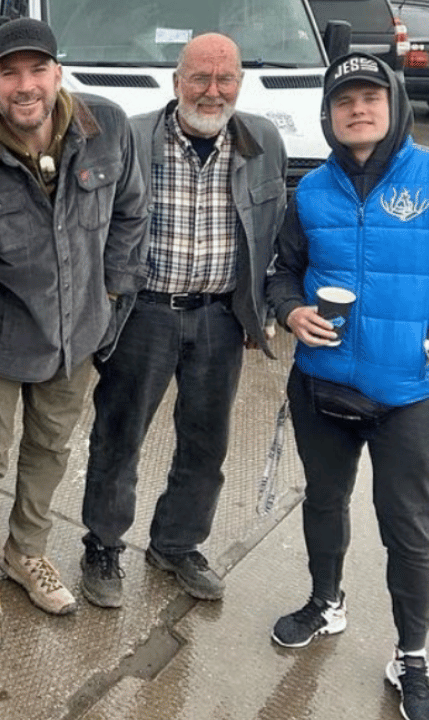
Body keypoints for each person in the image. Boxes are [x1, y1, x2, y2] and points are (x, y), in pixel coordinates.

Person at [265, 53, 429, 720]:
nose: (358, 109)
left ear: (395, 103)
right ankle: (326, 602)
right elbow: (281, 271)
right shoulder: (309, 191)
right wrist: (289, 310)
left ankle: (411, 657)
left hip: (409, 396)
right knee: (323, 502)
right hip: (321, 386)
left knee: (408, 533)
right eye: (345, 100)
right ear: (329, 113)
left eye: (372, 96)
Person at [0, 17, 149, 647]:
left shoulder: (107, 127)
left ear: (58, 73)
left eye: (37, 70)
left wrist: (110, 295)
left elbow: (133, 212)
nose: (25, 85)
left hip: (77, 337)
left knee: (50, 452)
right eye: (10, 73)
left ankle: (24, 551)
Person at [79, 33, 287, 607]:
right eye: (200, 78)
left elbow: (272, 232)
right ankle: (103, 543)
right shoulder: (134, 135)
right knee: (119, 436)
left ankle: (176, 543)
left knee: (206, 442)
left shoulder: (263, 140)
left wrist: (260, 309)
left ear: (239, 84)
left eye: (225, 80)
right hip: (144, 313)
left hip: (220, 317)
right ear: (177, 82)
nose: (212, 92)